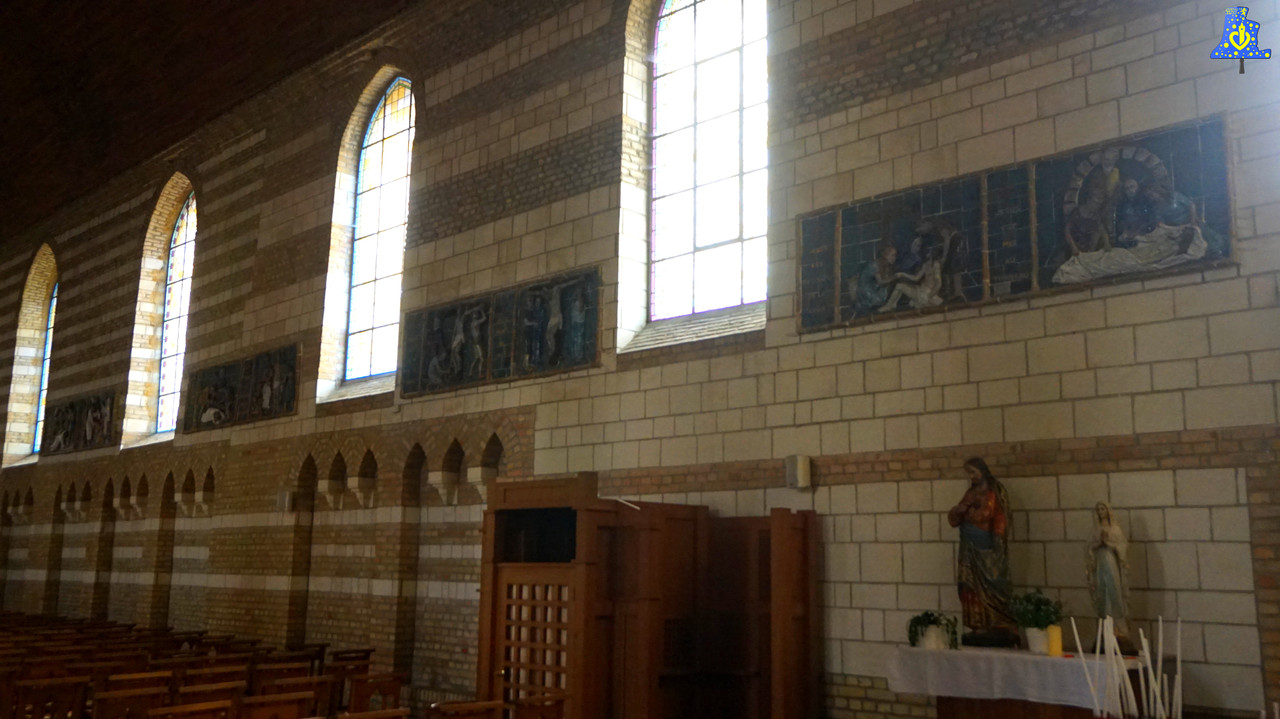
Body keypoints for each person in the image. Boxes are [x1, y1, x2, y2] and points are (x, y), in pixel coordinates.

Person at [947, 457, 1016, 644]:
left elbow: (999, 516)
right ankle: (978, 624)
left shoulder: (994, 491)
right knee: (968, 584)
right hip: (968, 546)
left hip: (986, 545)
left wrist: (998, 539)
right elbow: (954, 519)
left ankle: (999, 623)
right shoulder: (970, 493)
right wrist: (958, 510)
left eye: (973, 472)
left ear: (982, 470)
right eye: (968, 473)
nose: (971, 476)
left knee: (993, 581)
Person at [1086, 502, 1131, 642]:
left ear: (1108, 510)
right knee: (1102, 592)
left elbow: (1122, 546)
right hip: (1100, 564)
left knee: (1114, 591)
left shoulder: (1115, 529)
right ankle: (1105, 628)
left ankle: (1119, 628)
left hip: (1111, 562)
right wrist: (1098, 544)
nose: (1100, 512)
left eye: (1102, 509)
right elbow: (1089, 547)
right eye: (1098, 509)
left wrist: (1108, 544)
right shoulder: (1095, 530)